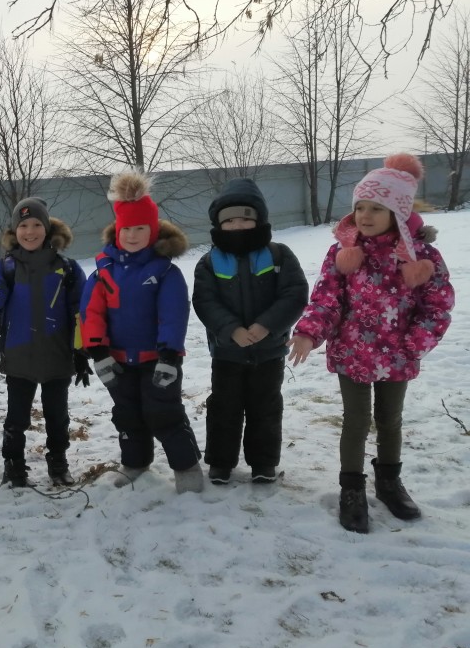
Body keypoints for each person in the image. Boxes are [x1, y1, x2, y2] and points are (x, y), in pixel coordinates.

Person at [287, 153, 454, 533]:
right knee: (356, 420)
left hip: (398, 354)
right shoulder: (344, 253)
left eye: (376, 208)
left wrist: (415, 344)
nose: (364, 215)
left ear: (398, 212)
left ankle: (389, 482)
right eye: (360, 207)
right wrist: (308, 332)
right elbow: (327, 298)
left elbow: (437, 305)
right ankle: (352, 488)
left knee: (390, 420)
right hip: (352, 352)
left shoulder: (421, 256)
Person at [80, 170, 204, 494]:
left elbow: (173, 314)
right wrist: (98, 352)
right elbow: (91, 313)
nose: (132, 235)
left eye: (140, 229)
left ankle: (186, 466)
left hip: (157, 358)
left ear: (152, 231)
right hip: (118, 359)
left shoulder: (165, 272)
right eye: (127, 229)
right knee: (127, 413)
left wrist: (169, 355)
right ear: (117, 230)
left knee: (164, 412)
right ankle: (135, 462)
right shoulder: (104, 271)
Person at [0, 197, 90, 488]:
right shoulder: (4, 267)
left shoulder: (67, 268)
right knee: (16, 418)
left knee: (57, 416)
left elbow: (81, 311)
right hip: (19, 355)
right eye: (23, 226)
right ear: (14, 230)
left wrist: (82, 350)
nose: (29, 231)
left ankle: (58, 463)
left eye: (36, 225)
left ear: (47, 228)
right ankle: (13, 466)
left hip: (57, 354)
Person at [192, 178, 309, 485]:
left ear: (259, 219)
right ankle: (220, 462)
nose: (238, 225)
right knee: (224, 407)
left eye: (245, 218)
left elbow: (294, 294)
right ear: (219, 224)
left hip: (268, 352)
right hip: (227, 352)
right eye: (229, 220)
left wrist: (266, 325)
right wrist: (230, 329)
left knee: (265, 408)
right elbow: (204, 301)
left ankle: (263, 462)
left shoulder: (279, 255)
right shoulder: (209, 262)